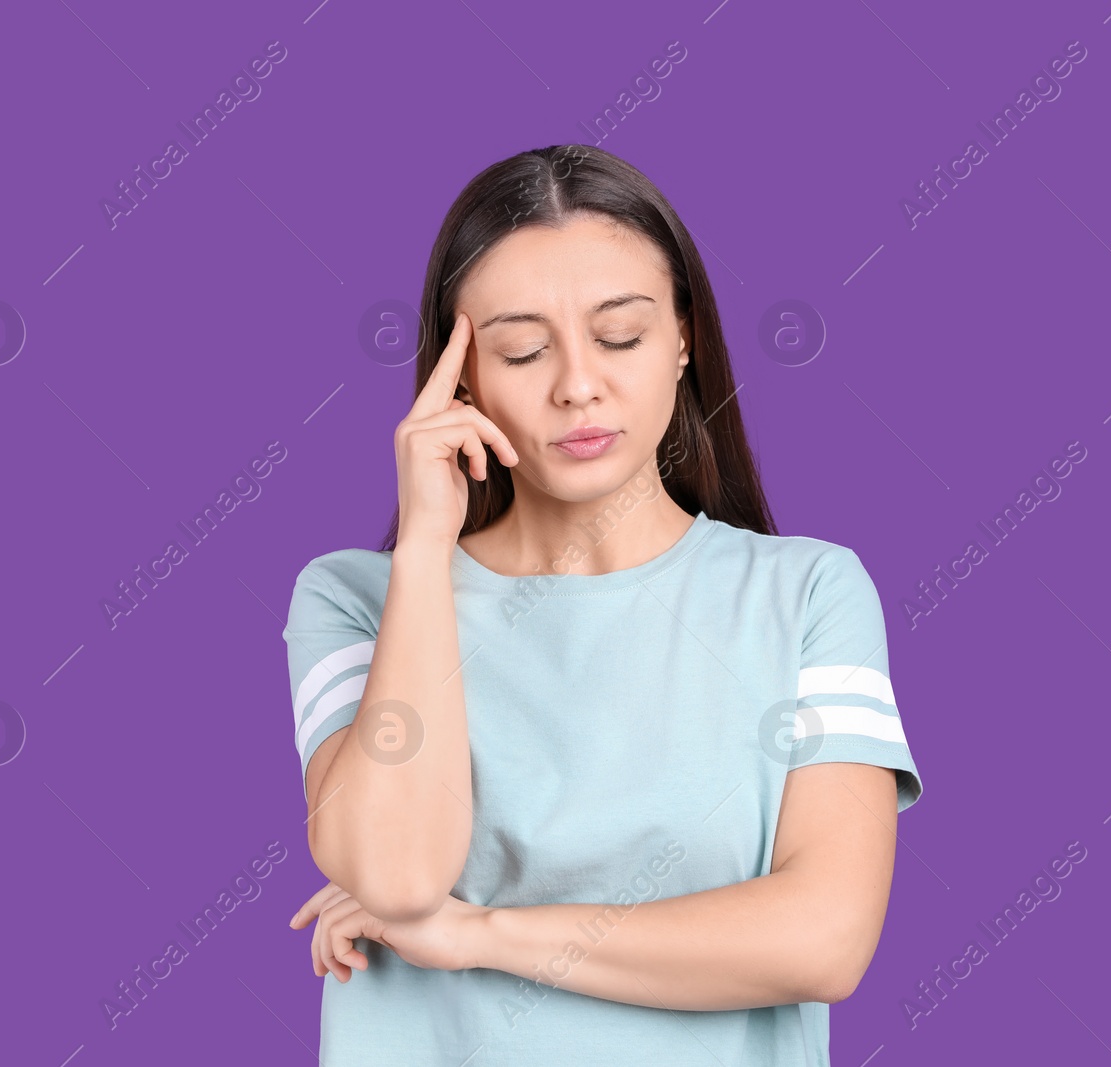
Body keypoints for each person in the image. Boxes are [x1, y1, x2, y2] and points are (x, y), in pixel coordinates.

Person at [280, 143, 924, 1066]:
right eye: (522, 348)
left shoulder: (810, 593)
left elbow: (824, 938)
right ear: (459, 379)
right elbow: (396, 871)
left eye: (620, 334)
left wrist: (477, 934)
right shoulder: (353, 600)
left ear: (684, 338)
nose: (578, 383)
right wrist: (424, 549)